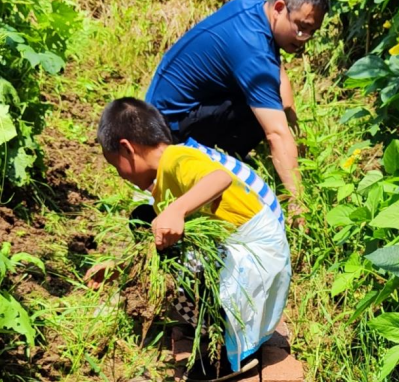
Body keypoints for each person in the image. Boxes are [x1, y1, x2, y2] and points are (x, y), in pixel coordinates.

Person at [86, 98, 291, 380]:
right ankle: (223, 326)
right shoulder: (170, 171)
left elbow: (219, 179)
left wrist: (177, 210)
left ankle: (230, 349)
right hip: (253, 257)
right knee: (145, 219)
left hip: (260, 260)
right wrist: (119, 268)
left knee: (177, 261)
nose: (120, 175)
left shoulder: (177, 159)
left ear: (127, 149)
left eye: (115, 166)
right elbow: (155, 243)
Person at [145, 0, 330, 213]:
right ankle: (216, 165)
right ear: (279, 8)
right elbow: (275, 133)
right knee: (261, 110)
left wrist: (294, 126)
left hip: (160, 112)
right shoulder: (252, 50)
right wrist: (298, 200)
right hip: (168, 132)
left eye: (312, 31)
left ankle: (229, 155)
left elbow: (276, 70)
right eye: (302, 28)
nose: (305, 39)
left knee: (268, 100)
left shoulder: (253, 6)